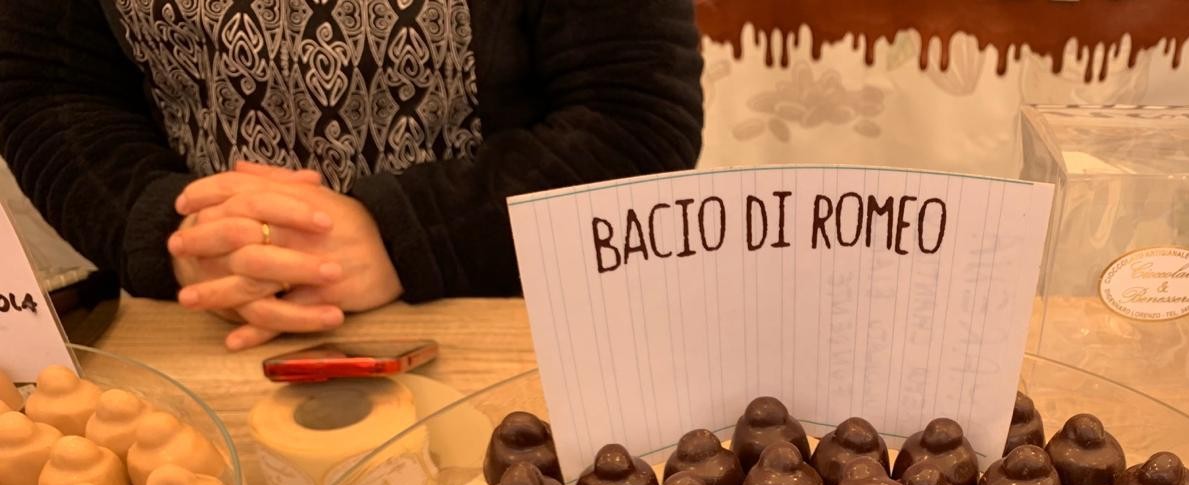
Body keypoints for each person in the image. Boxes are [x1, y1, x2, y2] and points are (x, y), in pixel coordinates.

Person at [0, 1, 703, 349]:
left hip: (509, 324)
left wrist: (406, 234)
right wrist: (181, 235)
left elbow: (633, 118)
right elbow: (48, 92)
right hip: (207, 322)